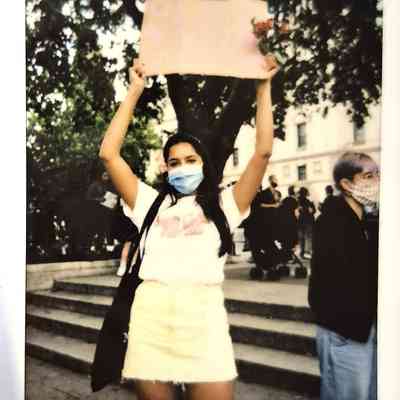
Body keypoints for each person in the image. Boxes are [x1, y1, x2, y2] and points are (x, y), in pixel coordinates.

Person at [99, 57, 279, 400]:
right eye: (174, 162)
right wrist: (135, 91)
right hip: (151, 319)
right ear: (165, 170)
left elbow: (263, 152)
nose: (182, 168)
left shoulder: (227, 205)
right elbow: (109, 154)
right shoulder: (149, 202)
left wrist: (263, 87)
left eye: (190, 160)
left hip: (204, 321)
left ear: (204, 164)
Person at [308, 152, 379, 400]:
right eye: (369, 176)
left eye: (378, 174)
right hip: (344, 332)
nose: (377, 181)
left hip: (363, 328)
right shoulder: (332, 222)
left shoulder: (366, 220)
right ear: (346, 185)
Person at [297, 186, 316, 259]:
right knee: (308, 237)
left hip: (301, 221)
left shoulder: (298, 201)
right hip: (308, 221)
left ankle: (302, 253)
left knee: (302, 238)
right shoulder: (307, 201)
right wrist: (309, 210)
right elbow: (312, 211)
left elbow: (312, 210)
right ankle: (307, 252)